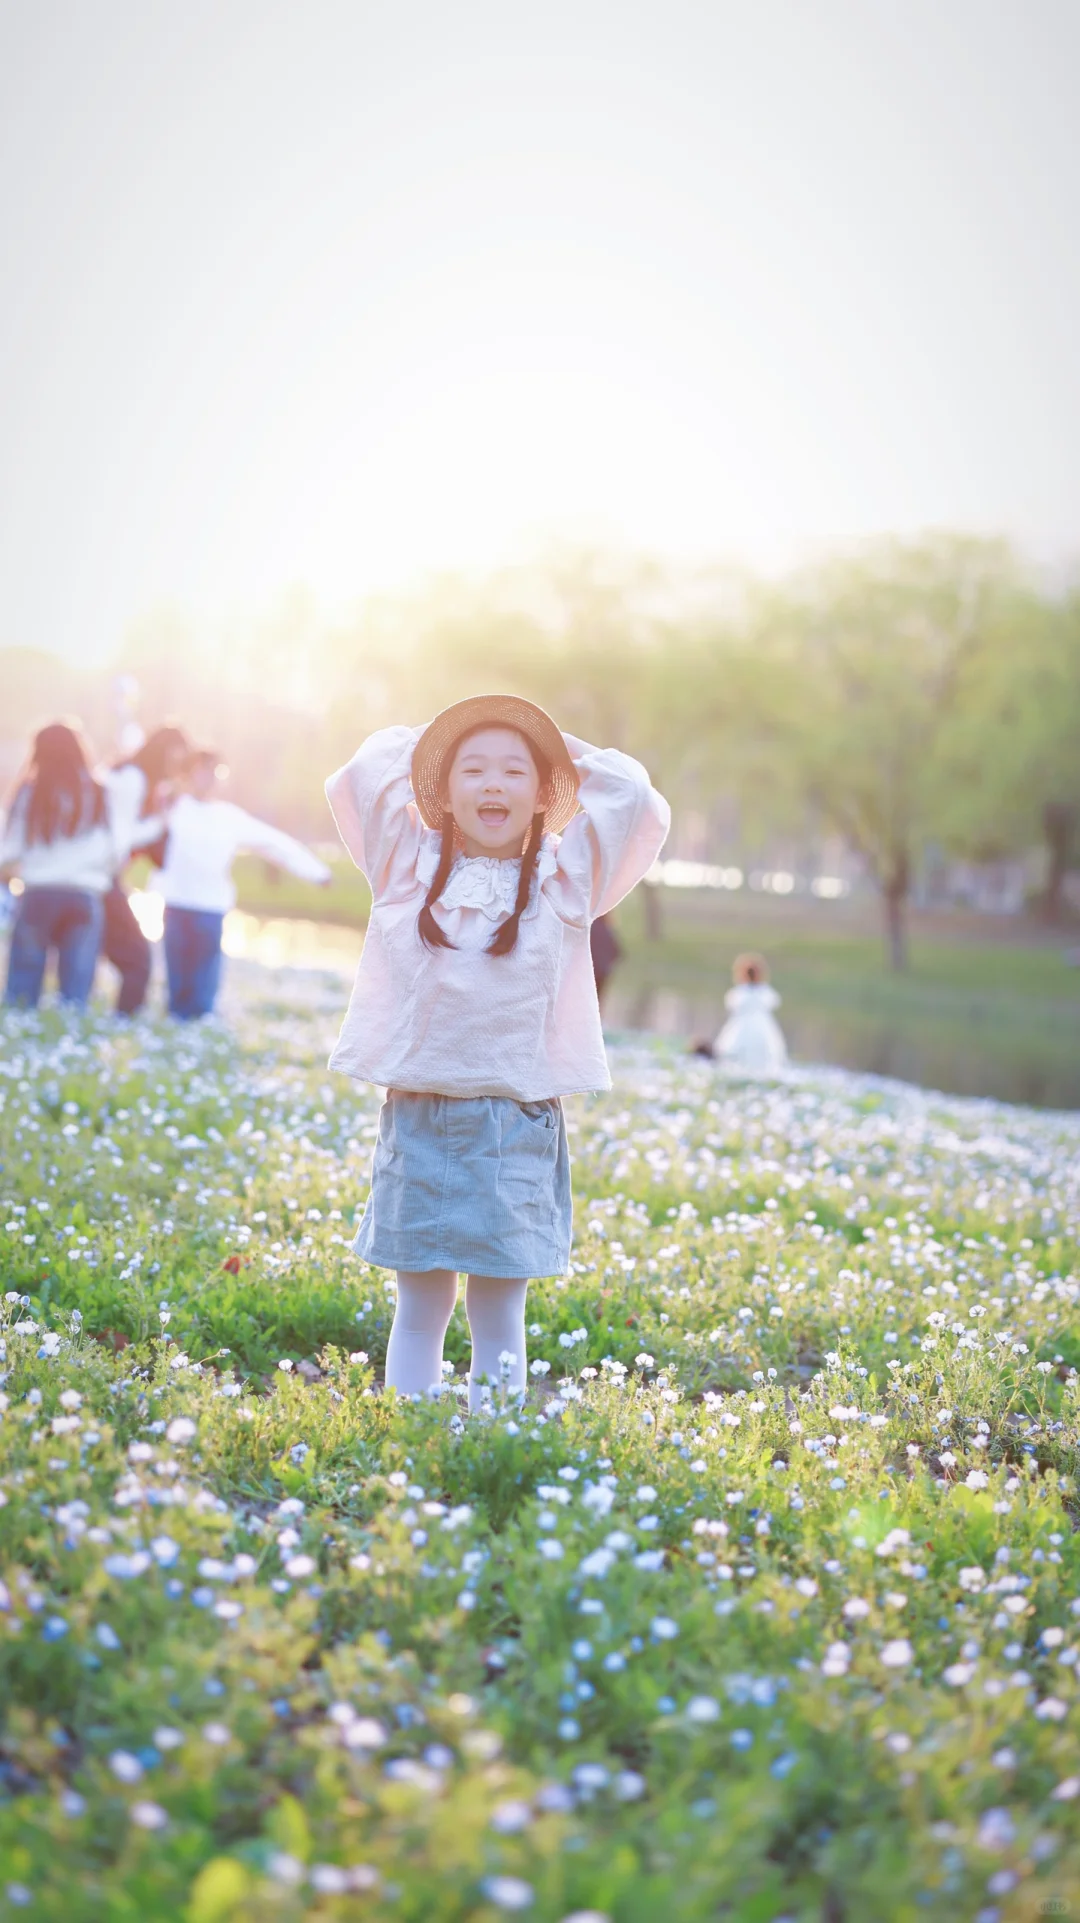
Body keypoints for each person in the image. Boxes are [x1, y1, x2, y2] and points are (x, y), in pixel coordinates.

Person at [325, 693, 670, 1410]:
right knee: (420, 1308)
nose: (492, 784)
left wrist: (558, 745)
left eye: (515, 771)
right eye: (472, 769)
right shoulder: (405, 868)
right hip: (419, 1116)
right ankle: (411, 1434)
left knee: (498, 1313)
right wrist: (440, 730)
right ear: (441, 792)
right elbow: (363, 770)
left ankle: (494, 1446)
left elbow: (633, 794)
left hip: (516, 1125)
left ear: (544, 792)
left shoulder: (563, 883)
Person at [155, 749, 332, 1019]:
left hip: (210, 909)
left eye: (212, 773)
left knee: (203, 983)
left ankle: (202, 1020)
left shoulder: (228, 817)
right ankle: (176, 1022)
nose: (206, 779)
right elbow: (144, 834)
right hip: (176, 905)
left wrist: (316, 872)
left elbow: (273, 842)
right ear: (189, 775)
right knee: (178, 980)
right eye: (200, 771)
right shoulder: (174, 808)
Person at [1, 722, 115, 1009]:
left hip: (39, 893)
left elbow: (11, 848)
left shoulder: (31, 791)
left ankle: (23, 1031)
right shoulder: (100, 791)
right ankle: (68, 1031)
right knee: (76, 988)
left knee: (23, 988)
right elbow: (111, 846)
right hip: (84, 894)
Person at [102, 725, 190, 1015]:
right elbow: (120, 837)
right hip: (100, 879)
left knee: (120, 957)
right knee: (137, 960)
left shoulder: (134, 778)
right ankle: (122, 1019)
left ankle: (106, 1018)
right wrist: (159, 823)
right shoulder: (132, 778)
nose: (176, 769)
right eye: (175, 760)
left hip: (103, 878)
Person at [714, 951, 788, 1073]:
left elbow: (730, 1004)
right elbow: (775, 1002)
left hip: (740, 1027)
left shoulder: (739, 993)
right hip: (764, 1027)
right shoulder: (765, 992)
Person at [589, 911, 623, 1011]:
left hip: (595, 970)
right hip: (602, 970)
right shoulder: (605, 927)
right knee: (596, 1002)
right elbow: (617, 951)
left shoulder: (593, 926)